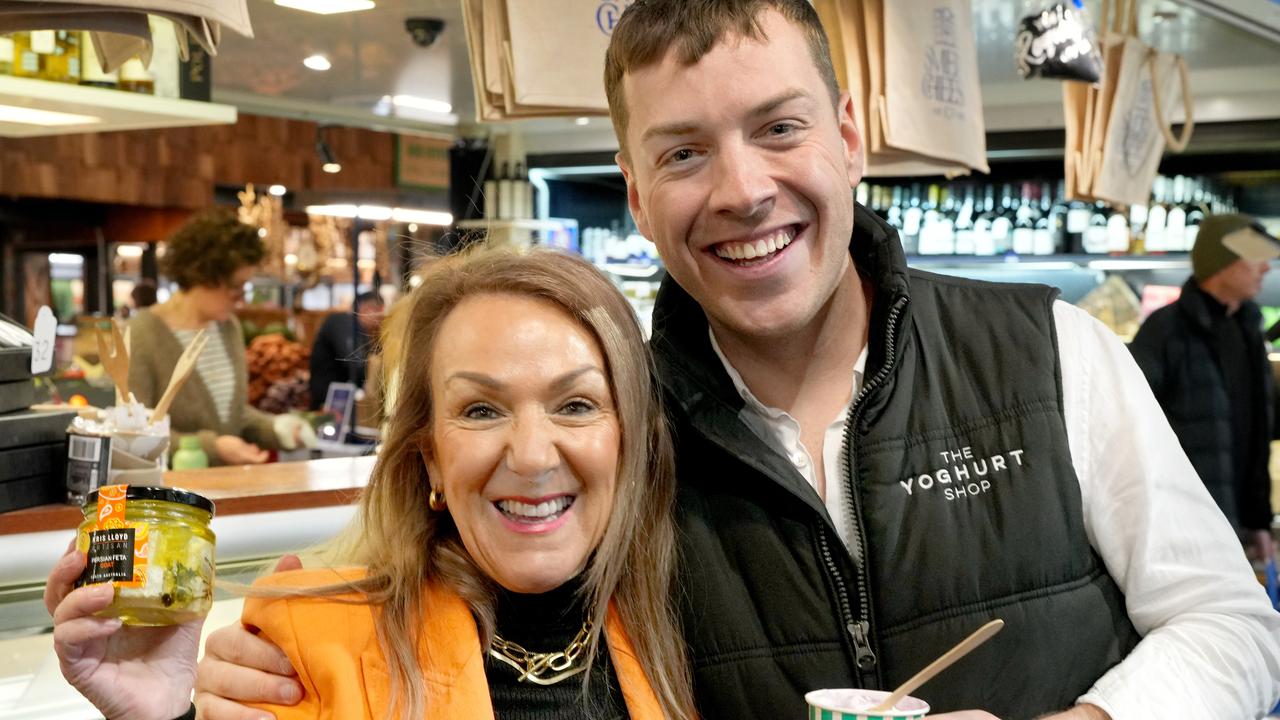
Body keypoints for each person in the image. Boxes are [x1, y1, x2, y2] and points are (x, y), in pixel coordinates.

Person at [193, 2, 1280, 718]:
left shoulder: (1046, 351)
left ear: (847, 135)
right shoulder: (615, 431)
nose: (740, 190)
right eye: (681, 152)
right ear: (633, 190)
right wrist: (241, 657)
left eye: (776, 128)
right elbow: (456, 600)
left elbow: (1231, 627)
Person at [45, 246, 696, 719]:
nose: (530, 455)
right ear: (430, 456)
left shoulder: (693, 630)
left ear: (632, 438)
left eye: (576, 405)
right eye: (480, 410)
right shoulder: (308, 640)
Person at [1130, 214, 1280, 564]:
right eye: (1255, 257)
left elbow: (1252, 432)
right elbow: (1129, 422)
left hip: (1235, 526)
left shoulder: (1249, 328)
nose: (1265, 269)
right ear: (1222, 261)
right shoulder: (1165, 331)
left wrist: (1256, 519)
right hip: (1179, 528)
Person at [129, 210, 315, 466]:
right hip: (173, 498)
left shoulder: (228, 329)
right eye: (235, 286)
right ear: (202, 274)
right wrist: (210, 447)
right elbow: (133, 435)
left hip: (229, 489)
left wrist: (277, 428)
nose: (241, 297)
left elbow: (233, 416)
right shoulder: (142, 335)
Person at [307, 290, 385, 411]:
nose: (380, 321)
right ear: (367, 309)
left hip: (338, 399)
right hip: (327, 403)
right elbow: (355, 362)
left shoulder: (358, 331)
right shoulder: (343, 323)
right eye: (379, 314)